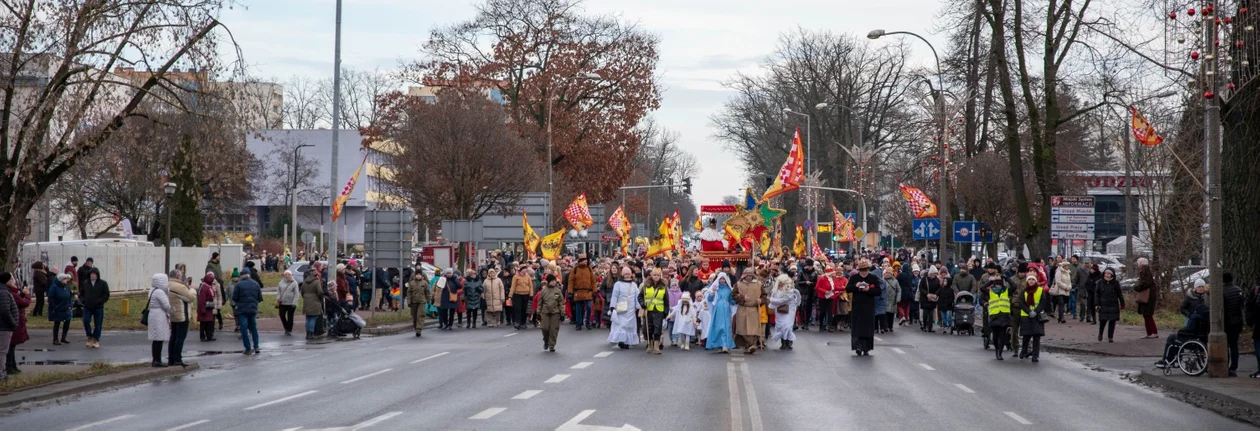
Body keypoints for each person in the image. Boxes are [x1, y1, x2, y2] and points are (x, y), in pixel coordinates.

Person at [1156, 301, 1210, 370]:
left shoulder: (1195, 317)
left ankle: (1167, 360)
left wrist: (1180, 331)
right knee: (1176, 338)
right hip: (1201, 339)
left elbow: (1189, 329)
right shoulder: (1206, 317)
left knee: (1172, 338)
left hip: (1191, 340)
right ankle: (1174, 360)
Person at [846, 259, 882, 356]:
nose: (864, 272)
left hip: (868, 306)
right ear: (859, 270)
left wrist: (869, 289)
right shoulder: (854, 277)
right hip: (857, 306)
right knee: (857, 327)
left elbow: (878, 291)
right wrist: (856, 286)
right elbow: (848, 289)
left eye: (865, 270)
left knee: (867, 327)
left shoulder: (873, 278)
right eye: (862, 270)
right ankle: (858, 347)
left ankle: (866, 348)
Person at [1014, 274, 1050, 362]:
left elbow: (1043, 302)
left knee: (1036, 337)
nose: (1031, 281)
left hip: (1037, 316)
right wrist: (1029, 311)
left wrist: (1035, 311)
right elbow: (1021, 303)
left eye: (1033, 280)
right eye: (1029, 280)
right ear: (1027, 281)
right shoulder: (1024, 291)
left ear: (1036, 281)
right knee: (1026, 336)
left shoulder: (1040, 290)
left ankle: (1035, 355)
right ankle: (1024, 350)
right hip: (1026, 316)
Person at [165, 268, 195, 367]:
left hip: (173, 314)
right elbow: (191, 297)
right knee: (180, 337)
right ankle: (178, 358)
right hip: (182, 314)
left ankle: (171, 358)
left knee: (173, 336)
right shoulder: (180, 287)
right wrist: (192, 289)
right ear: (178, 276)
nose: (182, 276)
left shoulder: (167, 285)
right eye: (181, 275)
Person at [733, 268, 766, 354]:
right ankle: (749, 345)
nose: (749, 277)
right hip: (742, 309)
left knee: (753, 329)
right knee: (743, 329)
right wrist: (742, 298)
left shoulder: (758, 284)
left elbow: (764, 295)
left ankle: (751, 345)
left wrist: (761, 300)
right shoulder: (738, 284)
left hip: (753, 309)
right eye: (747, 275)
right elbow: (733, 295)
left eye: (750, 275)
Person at [607, 267, 641, 350]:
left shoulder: (634, 285)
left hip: (631, 309)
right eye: (625, 274)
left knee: (628, 325)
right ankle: (621, 340)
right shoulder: (618, 284)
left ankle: (626, 341)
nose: (627, 275)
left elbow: (637, 297)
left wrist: (639, 306)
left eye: (628, 274)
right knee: (621, 325)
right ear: (622, 275)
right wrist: (612, 306)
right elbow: (614, 296)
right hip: (621, 308)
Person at [232, 268, 263, 355]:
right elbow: (260, 298)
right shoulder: (256, 284)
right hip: (253, 309)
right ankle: (256, 346)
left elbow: (234, 298)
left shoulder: (239, 285)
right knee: (253, 328)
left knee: (244, 329)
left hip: (242, 310)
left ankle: (248, 348)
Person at [705, 272, 737, 353]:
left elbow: (731, 300)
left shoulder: (729, 289)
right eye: (721, 279)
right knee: (718, 326)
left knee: (726, 326)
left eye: (723, 279)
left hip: (726, 308)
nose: (722, 280)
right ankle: (719, 344)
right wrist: (712, 292)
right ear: (718, 280)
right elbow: (709, 299)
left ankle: (725, 344)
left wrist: (737, 300)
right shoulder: (715, 288)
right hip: (718, 308)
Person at [985, 269, 1013, 360]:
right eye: (996, 283)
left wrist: (1007, 279)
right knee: (995, 337)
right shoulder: (990, 291)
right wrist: (990, 281)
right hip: (994, 315)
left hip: (1004, 316)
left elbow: (1014, 286)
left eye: (999, 283)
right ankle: (997, 349)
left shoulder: (1006, 291)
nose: (998, 285)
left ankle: (999, 352)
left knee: (1002, 336)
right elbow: (981, 288)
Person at [639, 269, 669, 354]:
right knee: (648, 328)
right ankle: (650, 344)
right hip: (649, 310)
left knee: (657, 328)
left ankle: (656, 346)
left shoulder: (663, 287)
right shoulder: (646, 286)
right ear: (651, 276)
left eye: (658, 275)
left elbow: (666, 300)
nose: (656, 277)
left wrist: (666, 311)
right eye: (654, 275)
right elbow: (640, 296)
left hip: (659, 310)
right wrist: (642, 304)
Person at [768, 274, 801, 350]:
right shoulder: (775, 290)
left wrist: (770, 300)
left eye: (782, 282)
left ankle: (788, 342)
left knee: (787, 326)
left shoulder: (790, 290)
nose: (780, 283)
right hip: (780, 311)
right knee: (781, 326)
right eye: (779, 282)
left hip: (789, 311)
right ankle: (783, 342)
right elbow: (776, 300)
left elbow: (783, 300)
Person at [147, 273, 172, 367]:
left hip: (153, 315)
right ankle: (157, 360)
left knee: (156, 339)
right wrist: (171, 310)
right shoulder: (160, 292)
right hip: (159, 316)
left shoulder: (152, 290)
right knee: (159, 339)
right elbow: (166, 306)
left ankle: (156, 359)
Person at [1223, 273, 1245, 377]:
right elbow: (1242, 306)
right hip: (1237, 321)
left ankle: (1225, 366)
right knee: (1234, 345)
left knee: (1225, 345)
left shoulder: (1222, 291)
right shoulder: (1238, 290)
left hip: (1226, 322)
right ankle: (1233, 368)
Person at [568, 255, 597, 331]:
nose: (586, 261)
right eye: (585, 260)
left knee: (589, 307)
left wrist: (594, 291)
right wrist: (570, 292)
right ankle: (578, 323)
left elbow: (593, 281)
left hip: (588, 291)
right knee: (578, 308)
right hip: (578, 291)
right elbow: (571, 282)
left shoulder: (589, 269)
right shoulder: (574, 270)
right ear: (580, 261)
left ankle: (587, 322)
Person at [1095, 268, 1124, 343]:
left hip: (1113, 304)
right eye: (1106, 274)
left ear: (1112, 275)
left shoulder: (1115, 283)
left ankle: (1110, 337)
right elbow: (1097, 294)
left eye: (1109, 274)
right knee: (1103, 321)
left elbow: (1119, 293)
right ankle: (1100, 333)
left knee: (1112, 321)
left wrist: (1122, 303)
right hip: (1103, 304)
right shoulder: (1100, 282)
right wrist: (1097, 304)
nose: (1107, 275)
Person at [538, 274, 564, 352]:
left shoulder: (558, 291)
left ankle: (551, 345)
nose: (553, 283)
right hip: (545, 312)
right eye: (552, 281)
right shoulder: (543, 291)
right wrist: (538, 312)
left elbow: (561, 303)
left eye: (554, 281)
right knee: (544, 328)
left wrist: (562, 313)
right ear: (548, 282)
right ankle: (546, 340)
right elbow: (540, 303)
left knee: (554, 329)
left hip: (555, 312)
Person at [1134, 258, 1159, 338]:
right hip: (1149, 296)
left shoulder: (1145, 271)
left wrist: (1137, 287)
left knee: (1147, 315)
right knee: (1147, 315)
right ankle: (1150, 332)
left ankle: (1152, 332)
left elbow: (1145, 283)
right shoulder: (1146, 271)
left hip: (1148, 297)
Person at [0, 273, 19, 380]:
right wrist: (13, 323)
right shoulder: (4, 292)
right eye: (11, 279)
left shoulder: (5, 291)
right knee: (3, 351)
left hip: (4, 326)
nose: (13, 281)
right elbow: (5, 310)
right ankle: (1, 373)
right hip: (4, 326)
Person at [48, 273, 73, 345]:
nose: (66, 280)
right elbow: (51, 298)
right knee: (57, 323)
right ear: (61, 280)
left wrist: (70, 304)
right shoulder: (54, 287)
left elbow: (70, 296)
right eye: (65, 279)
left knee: (67, 322)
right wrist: (54, 307)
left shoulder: (67, 287)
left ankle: (63, 337)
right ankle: (55, 339)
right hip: (58, 308)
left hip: (66, 308)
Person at [301, 265, 325, 339]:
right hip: (315, 301)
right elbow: (320, 292)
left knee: (308, 318)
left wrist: (305, 297)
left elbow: (302, 291)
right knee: (313, 318)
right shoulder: (316, 281)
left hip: (306, 300)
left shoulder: (304, 282)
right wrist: (320, 298)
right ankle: (311, 334)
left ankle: (307, 334)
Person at [407, 271, 431, 337]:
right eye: (417, 275)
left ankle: (419, 329)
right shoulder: (411, 283)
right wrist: (409, 302)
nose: (418, 276)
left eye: (419, 275)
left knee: (420, 315)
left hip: (422, 302)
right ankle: (415, 327)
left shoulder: (424, 283)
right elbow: (409, 293)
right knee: (414, 316)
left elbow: (428, 293)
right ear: (415, 276)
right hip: (413, 302)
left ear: (421, 276)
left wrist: (429, 301)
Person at [275, 270, 299, 336]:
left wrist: (294, 302)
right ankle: (286, 327)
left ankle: (289, 330)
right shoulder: (281, 282)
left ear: (291, 275)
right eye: (285, 274)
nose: (287, 276)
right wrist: (278, 298)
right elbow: (278, 291)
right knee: (281, 315)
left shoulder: (294, 283)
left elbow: (296, 294)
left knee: (290, 317)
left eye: (288, 274)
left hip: (291, 303)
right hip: (282, 302)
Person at [511, 265, 534, 330]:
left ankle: (523, 323)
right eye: (524, 269)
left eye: (526, 269)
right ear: (521, 270)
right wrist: (510, 295)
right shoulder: (515, 277)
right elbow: (513, 286)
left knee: (524, 309)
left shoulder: (528, 277)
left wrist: (531, 294)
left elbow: (530, 286)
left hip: (526, 294)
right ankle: (517, 322)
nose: (526, 270)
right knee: (518, 309)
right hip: (517, 294)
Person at [196, 272, 217, 342]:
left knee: (209, 323)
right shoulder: (204, 288)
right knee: (203, 324)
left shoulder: (209, 287)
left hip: (209, 307)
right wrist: (203, 309)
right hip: (205, 308)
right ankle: (202, 336)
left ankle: (209, 336)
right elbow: (202, 300)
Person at [919, 266, 940, 332]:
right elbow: (921, 288)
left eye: (936, 274)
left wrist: (936, 294)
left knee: (931, 314)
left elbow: (939, 288)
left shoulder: (937, 280)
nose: (935, 275)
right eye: (934, 274)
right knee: (925, 313)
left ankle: (930, 327)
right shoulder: (924, 279)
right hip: (925, 298)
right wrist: (926, 294)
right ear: (930, 273)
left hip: (932, 299)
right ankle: (924, 325)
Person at [881, 269, 900, 333]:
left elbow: (899, 290)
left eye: (888, 273)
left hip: (893, 300)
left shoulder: (895, 281)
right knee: (885, 314)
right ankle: (885, 326)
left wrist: (898, 299)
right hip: (884, 299)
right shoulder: (882, 280)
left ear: (891, 274)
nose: (887, 274)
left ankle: (890, 326)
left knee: (891, 314)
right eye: (886, 273)